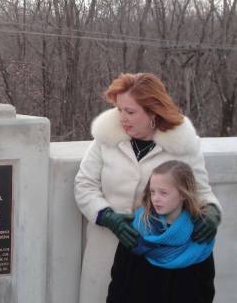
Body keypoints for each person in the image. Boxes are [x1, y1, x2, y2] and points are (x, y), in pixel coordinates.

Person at [74, 72, 221, 303]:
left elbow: (200, 191)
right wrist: (107, 216)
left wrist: (211, 211)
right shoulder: (106, 138)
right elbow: (84, 184)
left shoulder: (182, 144)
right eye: (119, 109)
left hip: (156, 255)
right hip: (106, 245)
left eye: (130, 112)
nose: (122, 117)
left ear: (153, 112)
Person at [108, 160, 216, 303]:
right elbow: (119, 282)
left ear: (183, 194)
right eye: (152, 192)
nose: (155, 199)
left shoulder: (199, 235)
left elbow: (205, 287)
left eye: (163, 193)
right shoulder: (137, 231)